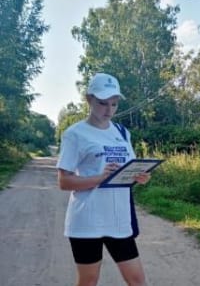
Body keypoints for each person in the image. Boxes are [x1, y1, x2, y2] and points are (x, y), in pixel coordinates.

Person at [57, 72, 150, 286]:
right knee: (88, 282)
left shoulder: (122, 132)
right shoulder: (75, 134)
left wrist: (139, 176)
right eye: (102, 103)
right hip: (87, 221)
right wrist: (100, 178)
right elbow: (64, 182)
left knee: (138, 281)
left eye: (114, 104)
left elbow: (128, 171)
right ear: (89, 99)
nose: (109, 110)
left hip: (119, 220)